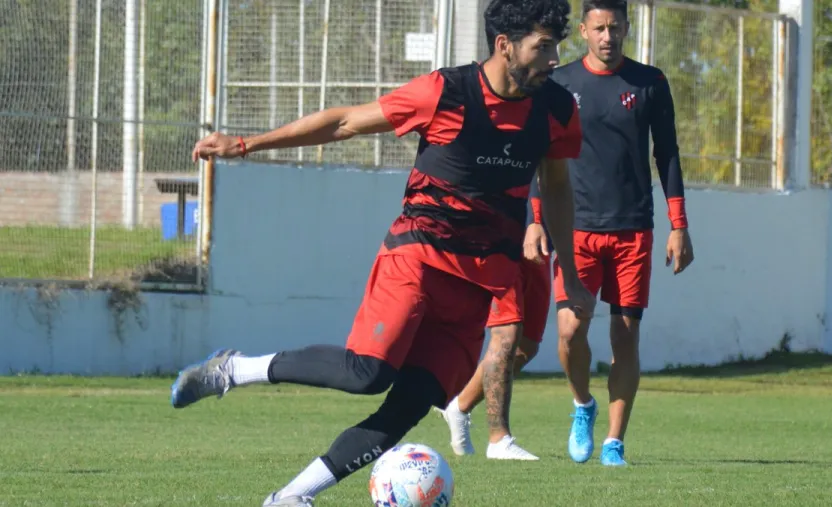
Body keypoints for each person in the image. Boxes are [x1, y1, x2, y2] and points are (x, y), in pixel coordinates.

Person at [169, 1, 595, 505]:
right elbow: (345, 122)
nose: (553, 59)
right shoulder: (446, 91)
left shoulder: (556, 109)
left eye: (555, 47)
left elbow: (559, 189)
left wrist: (570, 274)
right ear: (505, 45)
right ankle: (233, 369)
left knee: (406, 408)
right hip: (417, 257)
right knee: (366, 374)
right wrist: (246, 144)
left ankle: (290, 498)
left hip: (481, 284)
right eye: (542, 47)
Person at [538, 0, 696, 466]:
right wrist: (534, 221)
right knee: (570, 330)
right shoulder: (560, 83)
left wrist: (679, 226)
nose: (609, 36)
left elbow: (666, 154)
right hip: (575, 230)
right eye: (600, 27)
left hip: (632, 229)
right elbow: (538, 156)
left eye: (616, 27)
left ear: (627, 28)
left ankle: (614, 442)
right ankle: (582, 405)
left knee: (625, 336)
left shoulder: (650, 82)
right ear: (584, 30)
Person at [436, 177, 553, 461]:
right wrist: (534, 218)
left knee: (527, 345)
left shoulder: (574, 137)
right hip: (500, 237)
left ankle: (459, 405)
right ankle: (499, 440)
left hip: (542, 240)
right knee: (507, 333)